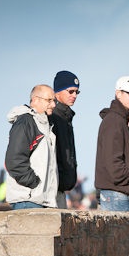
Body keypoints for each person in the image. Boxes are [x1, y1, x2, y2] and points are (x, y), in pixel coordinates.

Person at [95, 76, 129, 211]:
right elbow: (113, 162)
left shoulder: (119, 120)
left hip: (119, 194)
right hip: (117, 195)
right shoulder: (114, 121)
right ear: (118, 94)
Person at [4, 84, 59, 209]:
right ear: (35, 100)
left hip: (41, 200)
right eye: (49, 100)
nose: (53, 105)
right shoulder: (26, 122)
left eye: (54, 101)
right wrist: (35, 184)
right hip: (28, 200)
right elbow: (14, 161)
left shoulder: (45, 125)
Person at [49, 70, 80, 208]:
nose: (74, 95)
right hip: (51, 191)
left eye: (77, 92)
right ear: (57, 92)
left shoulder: (66, 116)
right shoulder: (52, 116)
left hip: (60, 190)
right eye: (70, 91)